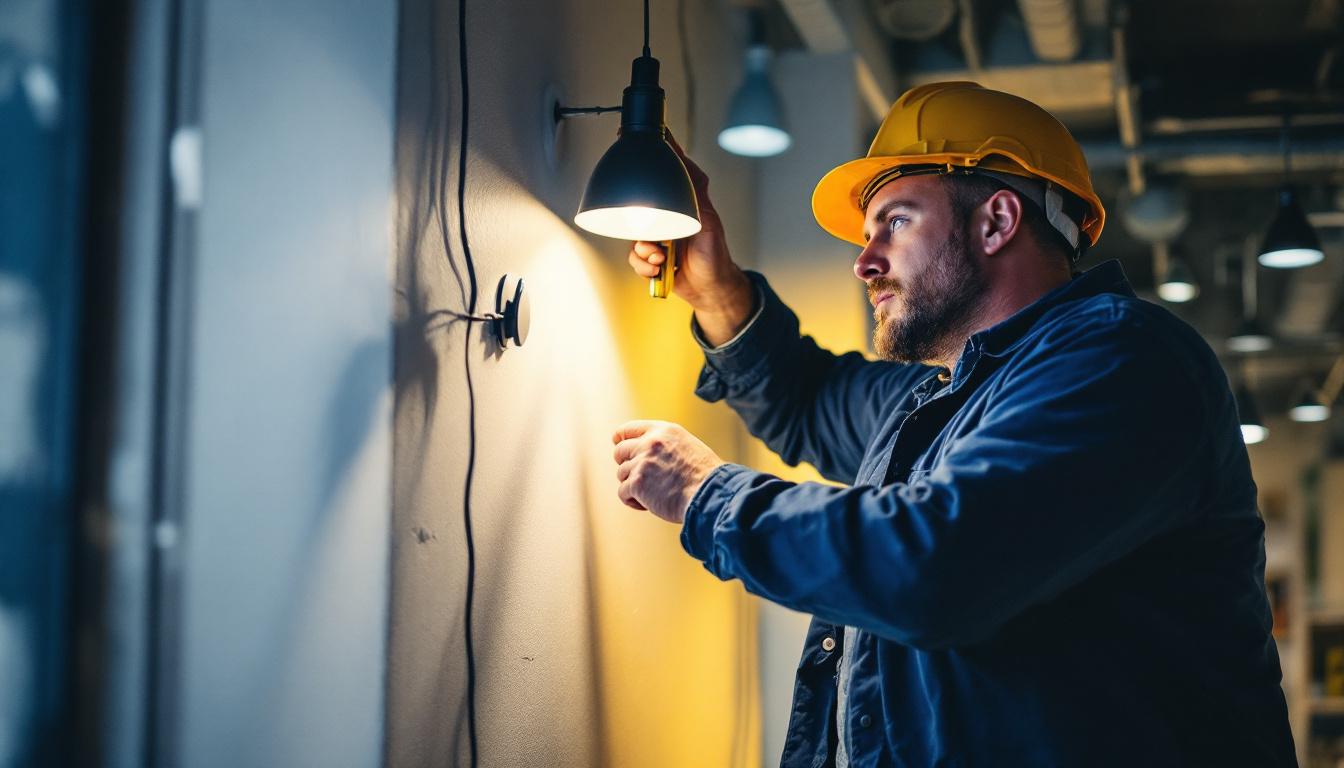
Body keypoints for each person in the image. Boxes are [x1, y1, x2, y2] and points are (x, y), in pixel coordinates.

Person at [610, 81, 1296, 766]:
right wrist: (718, 288)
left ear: (996, 222)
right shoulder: (943, 399)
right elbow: (808, 399)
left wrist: (707, 493)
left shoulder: (1122, 363)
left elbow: (934, 568)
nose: (864, 260)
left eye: (895, 222)